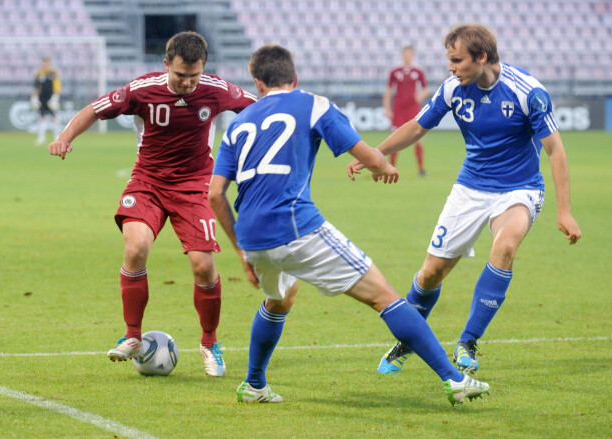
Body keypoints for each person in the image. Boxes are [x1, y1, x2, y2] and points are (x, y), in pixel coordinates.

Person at [208, 44, 490, 405]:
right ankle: (453, 379)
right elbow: (366, 154)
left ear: (258, 84)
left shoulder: (239, 122)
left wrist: (241, 251)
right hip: (296, 226)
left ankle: (253, 384)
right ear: (294, 79)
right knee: (385, 296)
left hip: (251, 236)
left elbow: (216, 195)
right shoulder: (313, 104)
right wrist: (383, 166)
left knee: (279, 299)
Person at [348, 24, 582, 375]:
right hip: (470, 189)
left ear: (482, 57)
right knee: (430, 274)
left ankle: (468, 340)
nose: (450, 68)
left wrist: (564, 211)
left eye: (456, 60)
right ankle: (409, 339)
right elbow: (416, 126)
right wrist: (374, 154)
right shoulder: (452, 89)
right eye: (449, 60)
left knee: (505, 247)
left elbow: (555, 149)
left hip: (519, 189)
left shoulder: (528, 92)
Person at [48, 31, 258, 376]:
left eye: (194, 76)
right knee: (136, 248)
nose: (188, 83)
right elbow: (94, 109)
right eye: (180, 76)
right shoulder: (141, 90)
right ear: (166, 65)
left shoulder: (218, 90)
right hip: (148, 182)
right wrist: (64, 138)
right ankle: (132, 335)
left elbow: (261, 107)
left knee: (204, 266)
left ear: (203, 68)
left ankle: (209, 344)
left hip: (195, 187)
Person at [383, 45, 429, 174]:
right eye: (405, 53)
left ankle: (421, 169)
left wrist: (420, 95)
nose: (407, 56)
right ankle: (390, 167)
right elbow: (388, 90)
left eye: (410, 53)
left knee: (417, 137)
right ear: (403, 55)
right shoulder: (395, 71)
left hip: (413, 108)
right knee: (394, 137)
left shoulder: (418, 71)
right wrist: (386, 108)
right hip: (398, 107)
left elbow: (426, 89)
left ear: (412, 55)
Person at [31, 57, 62, 145]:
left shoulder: (54, 73)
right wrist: (34, 98)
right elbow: (37, 87)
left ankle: (57, 137)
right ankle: (41, 138)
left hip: (51, 97)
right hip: (42, 98)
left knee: (54, 117)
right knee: (41, 117)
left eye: (47, 63)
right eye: (44, 63)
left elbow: (57, 86)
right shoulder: (39, 73)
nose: (46, 65)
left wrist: (55, 97)